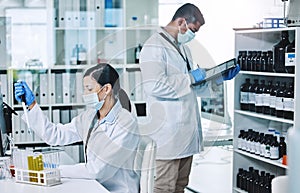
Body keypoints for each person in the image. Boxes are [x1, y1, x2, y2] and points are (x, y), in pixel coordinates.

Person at [139, 3, 240, 193]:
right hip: (168, 133)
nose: (194, 35)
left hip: (185, 132)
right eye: (193, 30)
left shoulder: (183, 48)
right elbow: (155, 86)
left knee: (180, 185)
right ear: (181, 22)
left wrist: (217, 78)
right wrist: (191, 77)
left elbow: (191, 87)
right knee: (165, 187)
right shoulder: (154, 46)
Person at [14, 63, 140, 193]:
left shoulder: (126, 124)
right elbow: (56, 135)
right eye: (84, 89)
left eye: (89, 89)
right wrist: (32, 105)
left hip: (118, 190)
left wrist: (55, 170)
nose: (85, 94)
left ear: (106, 89)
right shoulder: (89, 117)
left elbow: (97, 170)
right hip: (94, 186)